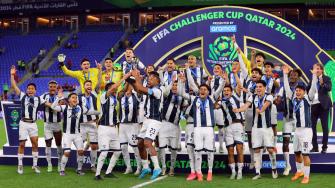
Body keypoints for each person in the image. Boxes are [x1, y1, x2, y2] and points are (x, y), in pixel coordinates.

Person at [233, 80, 278, 180]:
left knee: (270, 149)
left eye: (260, 86)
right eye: (257, 86)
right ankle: (258, 172)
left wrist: (261, 109)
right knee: (257, 150)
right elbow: (246, 106)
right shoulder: (252, 96)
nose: (258, 88)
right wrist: (238, 110)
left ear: (264, 88)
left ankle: (274, 168)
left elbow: (265, 105)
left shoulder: (269, 96)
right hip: (255, 128)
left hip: (267, 128)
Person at [10, 66, 50, 174]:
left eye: (32, 89)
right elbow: (14, 86)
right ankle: (20, 165)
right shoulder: (23, 96)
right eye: (29, 88)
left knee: (35, 144)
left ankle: (35, 165)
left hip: (33, 124)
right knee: (22, 144)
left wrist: (59, 102)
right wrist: (12, 75)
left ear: (35, 90)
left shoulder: (38, 98)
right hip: (23, 123)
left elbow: (49, 104)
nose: (30, 90)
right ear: (27, 90)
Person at [50, 90, 100, 176]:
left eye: (76, 98)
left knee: (81, 152)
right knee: (67, 152)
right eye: (73, 98)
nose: (75, 99)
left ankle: (79, 169)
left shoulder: (80, 108)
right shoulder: (64, 107)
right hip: (67, 135)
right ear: (69, 100)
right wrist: (58, 98)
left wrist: (100, 112)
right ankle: (62, 170)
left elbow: (89, 112)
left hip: (77, 134)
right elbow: (53, 107)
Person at [283, 65, 315, 184]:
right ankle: (299, 171)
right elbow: (287, 88)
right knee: (296, 152)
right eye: (296, 90)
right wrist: (285, 75)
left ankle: (306, 176)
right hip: (297, 130)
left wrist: (315, 75)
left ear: (304, 92)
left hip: (306, 131)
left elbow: (312, 89)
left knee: (305, 154)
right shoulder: (293, 99)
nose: (297, 92)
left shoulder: (308, 99)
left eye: (299, 90)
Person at [130, 70, 164, 180]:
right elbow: (137, 89)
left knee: (147, 142)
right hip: (147, 120)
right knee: (139, 143)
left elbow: (140, 88)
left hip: (155, 120)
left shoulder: (158, 90)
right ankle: (145, 167)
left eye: (151, 78)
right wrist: (129, 79)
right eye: (148, 78)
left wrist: (137, 77)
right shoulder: (149, 90)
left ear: (157, 80)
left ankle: (157, 168)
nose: (149, 79)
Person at [95, 74, 130, 180]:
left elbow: (123, 89)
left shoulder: (115, 98)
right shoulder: (103, 97)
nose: (115, 89)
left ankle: (108, 172)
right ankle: (97, 174)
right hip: (104, 128)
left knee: (118, 151)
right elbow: (115, 87)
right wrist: (124, 77)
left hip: (114, 129)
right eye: (112, 88)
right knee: (104, 152)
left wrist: (128, 80)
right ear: (108, 89)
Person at [276, 67, 304, 176]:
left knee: (299, 144)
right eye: (291, 75)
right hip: (287, 118)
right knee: (285, 142)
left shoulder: (302, 88)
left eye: (295, 75)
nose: (292, 76)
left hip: (298, 120)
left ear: (298, 77)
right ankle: (287, 166)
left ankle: (300, 167)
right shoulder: (284, 88)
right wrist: (277, 100)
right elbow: (278, 100)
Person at [159, 79, 187, 176]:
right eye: (173, 85)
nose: (175, 87)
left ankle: (171, 168)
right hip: (164, 124)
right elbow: (166, 90)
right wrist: (171, 82)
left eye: (177, 85)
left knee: (174, 149)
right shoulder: (166, 95)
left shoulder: (182, 98)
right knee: (162, 148)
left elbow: (185, 108)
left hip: (175, 126)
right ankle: (163, 167)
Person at [221, 85, 244, 180]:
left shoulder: (236, 97)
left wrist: (234, 74)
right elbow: (214, 105)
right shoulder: (221, 101)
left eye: (228, 90)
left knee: (239, 149)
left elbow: (239, 87)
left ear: (231, 92)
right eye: (224, 91)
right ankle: (233, 172)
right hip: (228, 127)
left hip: (238, 125)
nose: (226, 92)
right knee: (230, 151)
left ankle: (240, 172)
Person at [241, 68, 262, 170]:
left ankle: (259, 160)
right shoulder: (248, 82)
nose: (253, 74)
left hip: (259, 112)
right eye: (252, 73)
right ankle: (252, 159)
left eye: (256, 73)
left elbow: (259, 96)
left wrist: (248, 92)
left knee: (259, 135)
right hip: (249, 111)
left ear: (260, 76)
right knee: (249, 136)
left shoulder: (262, 84)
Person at [308, 63, 332, 153]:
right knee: (312, 127)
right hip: (314, 105)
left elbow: (329, 88)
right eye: (315, 69)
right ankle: (315, 147)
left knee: (324, 127)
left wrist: (322, 84)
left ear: (321, 70)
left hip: (324, 105)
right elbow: (307, 88)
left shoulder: (327, 78)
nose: (316, 70)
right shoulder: (312, 79)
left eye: (318, 68)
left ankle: (324, 147)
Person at [119, 83, 142, 175]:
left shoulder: (136, 96)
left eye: (132, 84)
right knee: (123, 147)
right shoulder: (121, 96)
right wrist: (128, 81)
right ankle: (128, 167)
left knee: (135, 147)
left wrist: (134, 84)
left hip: (133, 125)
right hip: (122, 125)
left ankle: (139, 167)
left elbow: (139, 91)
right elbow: (122, 91)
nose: (130, 86)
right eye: (129, 84)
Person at [78, 80, 101, 172]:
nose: (89, 86)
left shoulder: (95, 97)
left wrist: (97, 121)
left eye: (90, 85)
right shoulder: (79, 98)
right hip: (82, 124)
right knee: (80, 145)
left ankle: (93, 165)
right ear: (84, 86)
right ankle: (79, 167)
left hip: (92, 124)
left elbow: (97, 109)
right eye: (87, 85)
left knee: (94, 146)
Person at [40, 80, 63, 172]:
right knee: (48, 144)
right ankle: (49, 164)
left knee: (58, 144)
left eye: (54, 87)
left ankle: (59, 163)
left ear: (56, 88)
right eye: (51, 86)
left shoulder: (61, 96)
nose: (52, 88)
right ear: (48, 87)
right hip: (47, 124)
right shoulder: (43, 96)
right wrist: (55, 103)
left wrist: (53, 104)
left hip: (57, 124)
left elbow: (60, 108)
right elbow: (52, 106)